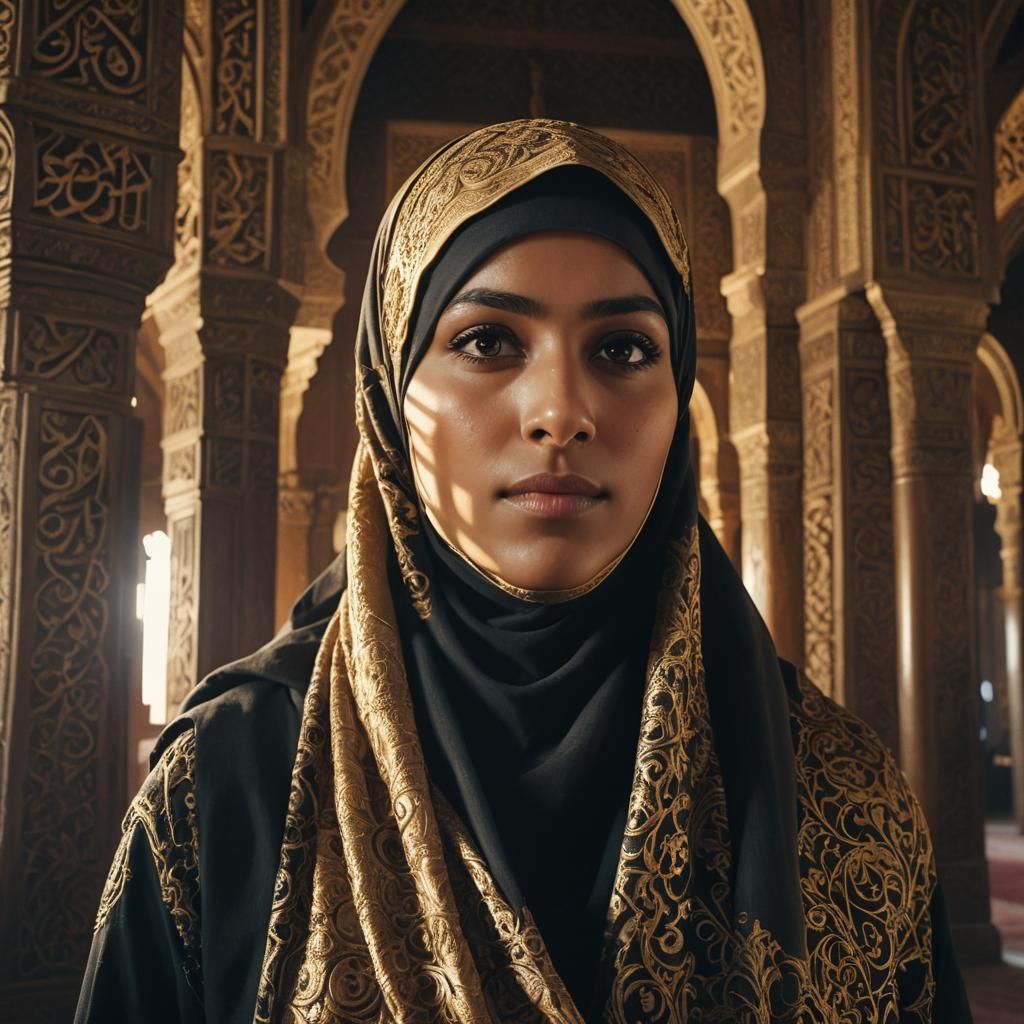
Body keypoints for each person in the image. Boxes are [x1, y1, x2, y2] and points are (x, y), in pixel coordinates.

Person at [76, 119, 972, 1023]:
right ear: (392, 392)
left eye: (622, 349)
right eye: (487, 342)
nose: (561, 412)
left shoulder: (839, 791)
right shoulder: (229, 785)